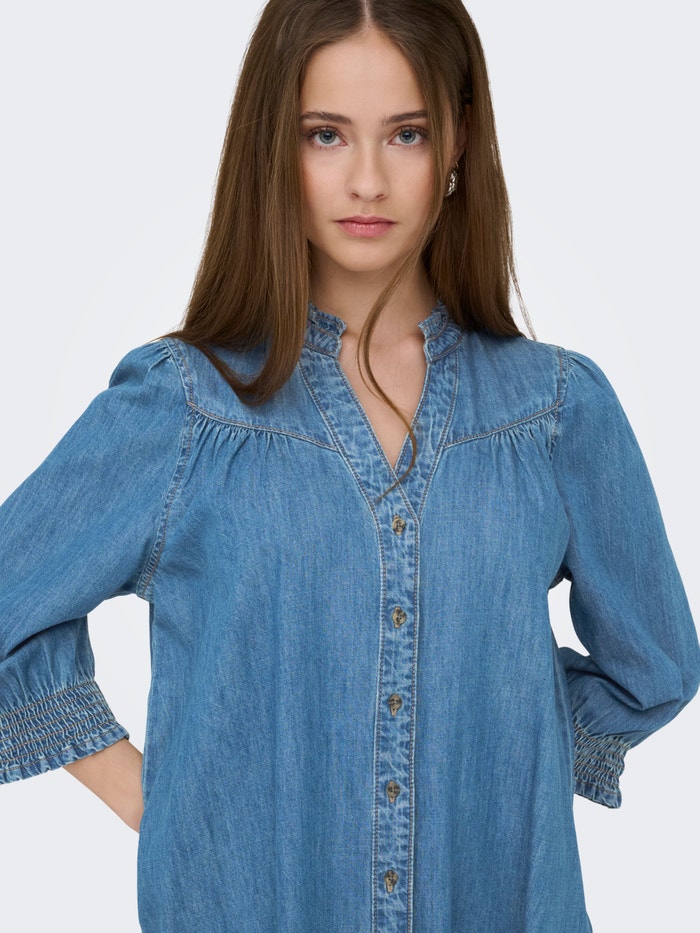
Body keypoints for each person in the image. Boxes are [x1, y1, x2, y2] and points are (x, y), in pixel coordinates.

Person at [1, 0, 698, 930]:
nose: (368, 180)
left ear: (457, 141)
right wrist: (163, 799)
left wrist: (494, 760)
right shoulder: (186, 406)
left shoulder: (557, 412)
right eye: (325, 134)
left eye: (407, 134)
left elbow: (656, 662)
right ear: (273, 147)